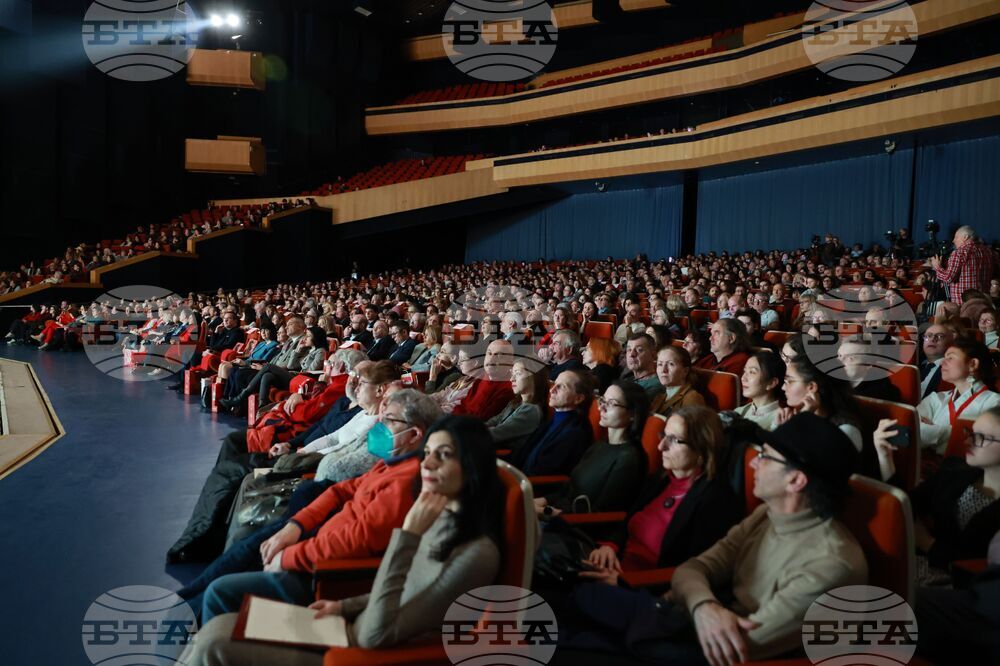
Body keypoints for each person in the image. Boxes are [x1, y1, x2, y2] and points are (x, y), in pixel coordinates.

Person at [181, 416, 504, 665]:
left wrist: (407, 537)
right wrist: (345, 606)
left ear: (471, 467)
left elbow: (381, 631)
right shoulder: (440, 517)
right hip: (348, 627)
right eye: (429, 453)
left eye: (443, 455)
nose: (428, 464)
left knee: (215, 643)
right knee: (218, 626)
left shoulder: (476, 553)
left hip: (363, 652)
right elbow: (402, 590)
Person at [876, 407, 1000, 585]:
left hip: (961, 588)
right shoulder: (955, 470)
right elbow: (907, 507)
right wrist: (885, 457)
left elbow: (977, 568)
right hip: (916, 562)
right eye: (971, 432)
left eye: (981, 437)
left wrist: (926, 542)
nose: (967, 441)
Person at [536, 380, 650, 516]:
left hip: (576, 530)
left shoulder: (629, 459)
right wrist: (540, 501)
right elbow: (569, 488)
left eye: (611, 404)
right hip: (559, 514)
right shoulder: (600, 445)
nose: (601, 408)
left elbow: (600, 514)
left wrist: (542, 511)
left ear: (632, 414)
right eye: (602, 400)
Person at [917, 339, 1000, 453]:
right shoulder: (936, 398)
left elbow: (984, 446)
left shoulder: (994, 402)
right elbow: (914, 431)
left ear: (972, 364)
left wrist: (934, 430)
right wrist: (960, 434)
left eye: (950, 358)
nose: (942, 362)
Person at [511, 369, 594, 476]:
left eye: (562, 387)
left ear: (578, 398)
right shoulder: (554, 419)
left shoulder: (575, 432)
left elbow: (541, 473)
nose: (552, 390)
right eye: (555, 384)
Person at [778, 356, 865, 456]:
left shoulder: (846, 430)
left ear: (811, 387)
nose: (783, 387)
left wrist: (802, 421)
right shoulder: (791, 414)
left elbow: (808, 462)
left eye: (789, 381)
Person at [487, 360, 547, 451]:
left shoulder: (531, 411)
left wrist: (470, 431)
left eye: (518, 374)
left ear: (533, 377)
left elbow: (497, 433)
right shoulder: (516, 402)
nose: (511, 379)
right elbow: (495, 420)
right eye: (512, 374)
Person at [931, 226, 994, 304]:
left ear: (965, 237)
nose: (953, 241)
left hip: (963, 304)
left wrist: (937, 266)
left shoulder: (959, 253)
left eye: (956, 237)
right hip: (984, 302)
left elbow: (948, 278)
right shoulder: (988, 251)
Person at [836, 337, 902, 403]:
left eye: (850, 358)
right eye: (839, 355)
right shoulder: (830, 381)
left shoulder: (882, 392)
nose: (840, 361)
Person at [734, 351, 785, 430]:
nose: (743, 378)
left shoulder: (781, 420)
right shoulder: (739, 412)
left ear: (771, 383)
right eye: (745, 371)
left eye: (752, 372)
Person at [649, 346, 704, 417]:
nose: (663, 370)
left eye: (671, 364)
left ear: (685, 371)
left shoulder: (692, 398)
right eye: (660, 364)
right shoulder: (658, 398)